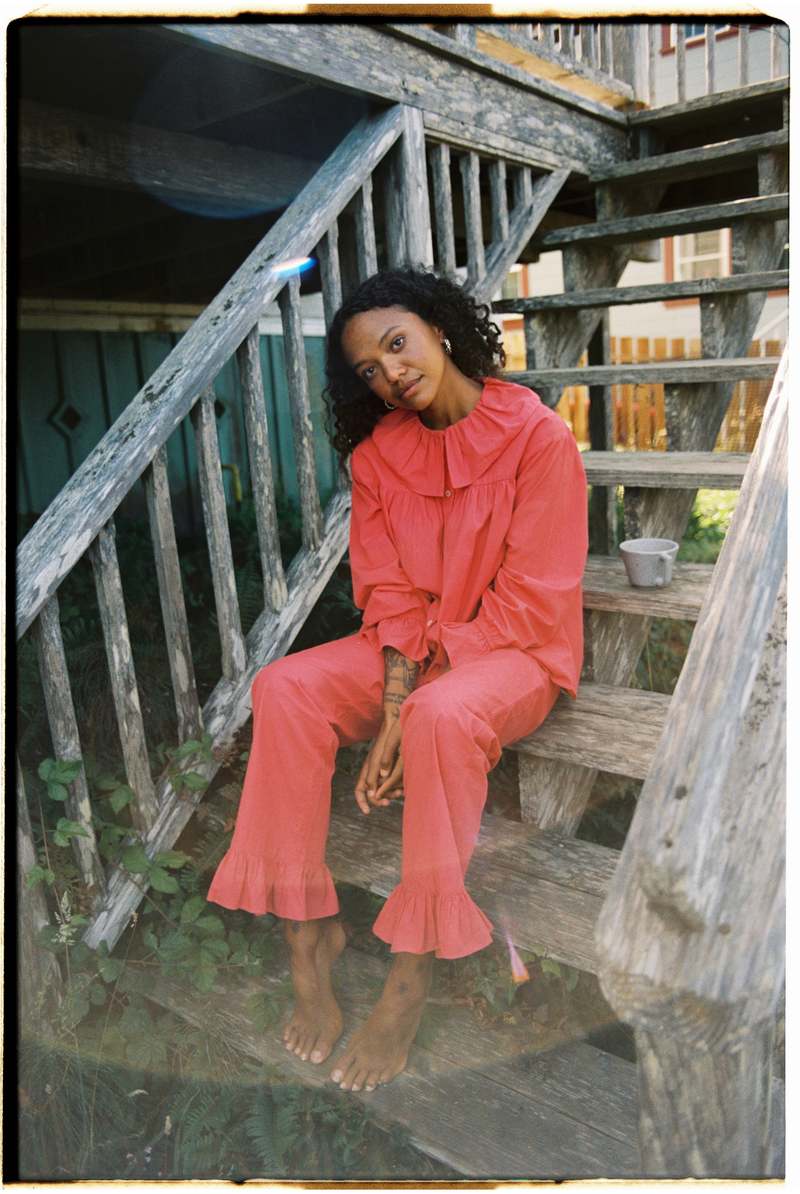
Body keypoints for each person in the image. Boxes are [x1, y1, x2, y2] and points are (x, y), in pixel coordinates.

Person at [207, 267, 588, 1094]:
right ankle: (307, 936)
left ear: (439, 329)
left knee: (441, 717)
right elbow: (386, 592)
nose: (391, 372)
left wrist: (411, 707)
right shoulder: (380, 455)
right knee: (284, 688)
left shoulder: (537, 438)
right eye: (370, 369)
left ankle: (411, 979)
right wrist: (392, 704)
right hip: (410, 650)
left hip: (516, 653)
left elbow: (533, 598)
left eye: (397, 344)